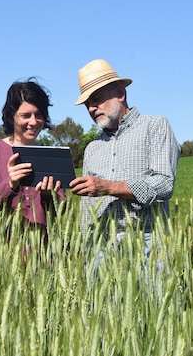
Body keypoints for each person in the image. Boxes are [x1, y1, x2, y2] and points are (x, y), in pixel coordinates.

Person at [69, 59, 180, 265]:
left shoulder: (155, 126)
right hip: (99, 245)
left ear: (120, 93)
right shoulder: (92, 148)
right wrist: (83, 246)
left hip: (147, 240)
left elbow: (164, 184)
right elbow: (87, 207)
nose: (92, 108)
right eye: (87, 104)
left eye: (97, 99)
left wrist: (109, 187)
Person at [0, 78, 66, 244]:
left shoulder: (50, 156)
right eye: (25, 115)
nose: (33, 122)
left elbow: (61, 210)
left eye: (39, 115)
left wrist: (48, 196)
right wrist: (10, 184)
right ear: (11, 117)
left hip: (40, 254)